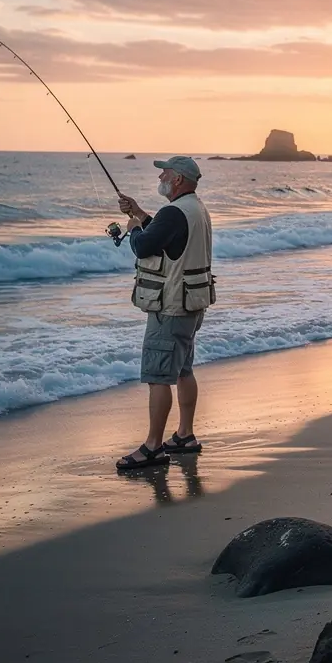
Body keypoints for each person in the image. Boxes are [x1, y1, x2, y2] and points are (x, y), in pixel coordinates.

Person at [115, 156, 215, 471]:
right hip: (192, 302)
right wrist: (140, 213)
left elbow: (144, 246)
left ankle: (153, 448)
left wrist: (132, 228)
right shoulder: (196, 208)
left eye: (166, 172)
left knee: (159, 377)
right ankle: (184, 435)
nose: (160, 175)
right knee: (184, 369)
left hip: (170, 306)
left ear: (179, 180)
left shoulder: (174, 213)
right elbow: (167, 236)